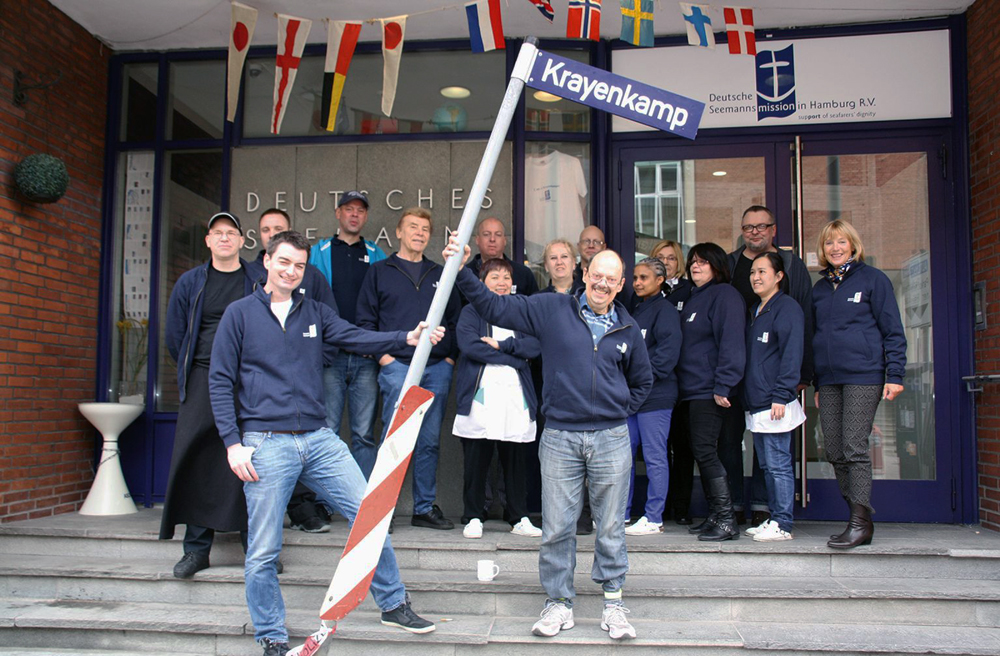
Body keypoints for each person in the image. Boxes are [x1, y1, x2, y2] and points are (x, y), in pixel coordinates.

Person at [208, 231, 440, 655]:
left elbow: (354, 336)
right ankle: (272, 636)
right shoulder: (239, 315)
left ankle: (392, 603)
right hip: (265, 442)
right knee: (262, 549)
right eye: (284, 263)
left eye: (298, 265)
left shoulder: (314, 311)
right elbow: (220, 381)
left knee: (370, 516)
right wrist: (232, 443)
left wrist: (405, 337)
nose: (291, 271)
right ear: (266, 262)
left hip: (318, 438)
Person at [444, 234, 652, 642]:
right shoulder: (552, 309)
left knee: (611, 527)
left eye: (612, 278)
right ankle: (559, 603)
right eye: (597, 275)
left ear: (621, 282)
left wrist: (616, 410)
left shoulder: (628, 327)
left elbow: (642, 380)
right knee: (557, 526)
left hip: (610, 438)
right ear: (584, 274)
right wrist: (463, 270)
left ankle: (614, 603)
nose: (603, 283)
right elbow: (492, 304)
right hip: (560, 436)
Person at [159, 211, 259, 579]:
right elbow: (175, 335)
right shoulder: (191, 281)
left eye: (231, 233)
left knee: (253, 461)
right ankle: (196, 550)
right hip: (202, 378)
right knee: (198, 458)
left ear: (241, 240)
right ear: (208, 240)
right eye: (217, 233)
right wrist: (197, 364)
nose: (224, 239)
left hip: (248, 381)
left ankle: (257, 548)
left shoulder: (257, 280)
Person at [357, 207, 460, 530]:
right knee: (393, 440)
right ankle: (381, 511)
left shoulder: (441, 273)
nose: (419, 233)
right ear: (398, 232)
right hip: (397, 366)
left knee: (429, 441)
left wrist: (449, 359)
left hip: (436, 369)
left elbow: (458, 321)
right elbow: (365, 322)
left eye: (425, 229)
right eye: (412, 227)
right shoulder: (379, 272)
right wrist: (384, 359)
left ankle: (424, 507)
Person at [812, 220, 906, 549]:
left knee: (854, 447)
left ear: (853, 245)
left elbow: (893, 331)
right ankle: (860, 518)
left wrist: (895, 375)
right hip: (831, 379)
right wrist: (819, 383)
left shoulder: (873, 280)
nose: (835, 248)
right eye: (828, 244)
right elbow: (818, 338)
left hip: (864, 376)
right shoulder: (820, 289)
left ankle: (858, 523)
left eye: (841, 242)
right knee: (835, 451)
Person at [249, 208, 338, 534]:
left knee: (305, 445)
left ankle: (303, 508)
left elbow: (334, 324)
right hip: (262, 406)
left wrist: (318, 361)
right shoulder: (249, 275)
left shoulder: (311, 276)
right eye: (266, 230)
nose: (272, 234)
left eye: (279, 229)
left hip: (305, 389)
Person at [727, 205, 815, 527]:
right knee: (754, 452)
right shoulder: (737, 271)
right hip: (747, 385)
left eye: (761, 226)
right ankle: (752, 512)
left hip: (775, 386)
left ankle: (776, 516)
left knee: (775, 460)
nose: (754, 231)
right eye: (748, 227)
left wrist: (798, 379)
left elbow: (799, 335)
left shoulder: (789, 285)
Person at [454, 258, 543, 539]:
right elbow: (470, 346)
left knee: (516, 459)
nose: (502, 282)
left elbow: (534, 345)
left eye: (506, 277)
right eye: (495, 277)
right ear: (482, 282)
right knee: (477, 460)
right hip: (480, 394)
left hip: (515, 395)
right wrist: (515, 358)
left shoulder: (523, 311)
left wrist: (505, 346)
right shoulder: (471, 312)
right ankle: (473, 516)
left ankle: (518, 516)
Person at [308, 192, 388, 480]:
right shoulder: (319, 252)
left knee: (364, 433)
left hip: (366, 357)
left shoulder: (377, 256)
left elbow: (384, 304)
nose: (354, 215)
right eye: (349, 209)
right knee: (326, 430)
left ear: (366, 217)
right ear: (338, 213)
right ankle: (325, 503)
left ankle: (363, 505)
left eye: (360, 210)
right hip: (330, 354)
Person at [675, 243, 746, 541]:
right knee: (702, 452)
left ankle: (727, 519)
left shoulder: (725, 295)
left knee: (706, 451)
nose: (695, 266)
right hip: (692, 390)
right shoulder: (695, 298)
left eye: (703, 262)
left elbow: (731, 342)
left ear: (717, 265)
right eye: (693, 262)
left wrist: (724, 383)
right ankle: (716, 515)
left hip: (710, 390)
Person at [742, 252, 805, 542]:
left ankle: (783, 522)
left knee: (778, 465)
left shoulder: (787, 308)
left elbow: (791, 355)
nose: (756, 277)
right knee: (767, 464)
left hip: (776, 401)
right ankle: (773, 518)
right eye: (753, 272)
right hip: (758, 402)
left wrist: (782, 393)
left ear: (779, 276)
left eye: (762, 272)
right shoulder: (756, 309)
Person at [624, 257, 681, 536]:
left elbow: (665, 358)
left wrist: (638, 380)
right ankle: (621, 514)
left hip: (656, 397)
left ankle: (653, 517)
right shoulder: (635, 310)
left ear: (660, 280)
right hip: (632, 398)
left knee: (655, 457)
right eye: (635, 277)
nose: (637, 283)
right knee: (624, 456)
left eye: (644, 277)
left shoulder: (666, 311)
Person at [468, 216, 539, 296]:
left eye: (498, 235)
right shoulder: (465, 275)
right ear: (477, 240)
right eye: (486, 234)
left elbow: (534, 306)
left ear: (505, 240)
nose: (492, 239)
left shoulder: (523, 273)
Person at [651, 239, 692, 309]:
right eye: (660, 258)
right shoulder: (643, 287)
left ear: (678, 262)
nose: (665, 262)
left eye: (671, 258)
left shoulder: (690, 289)